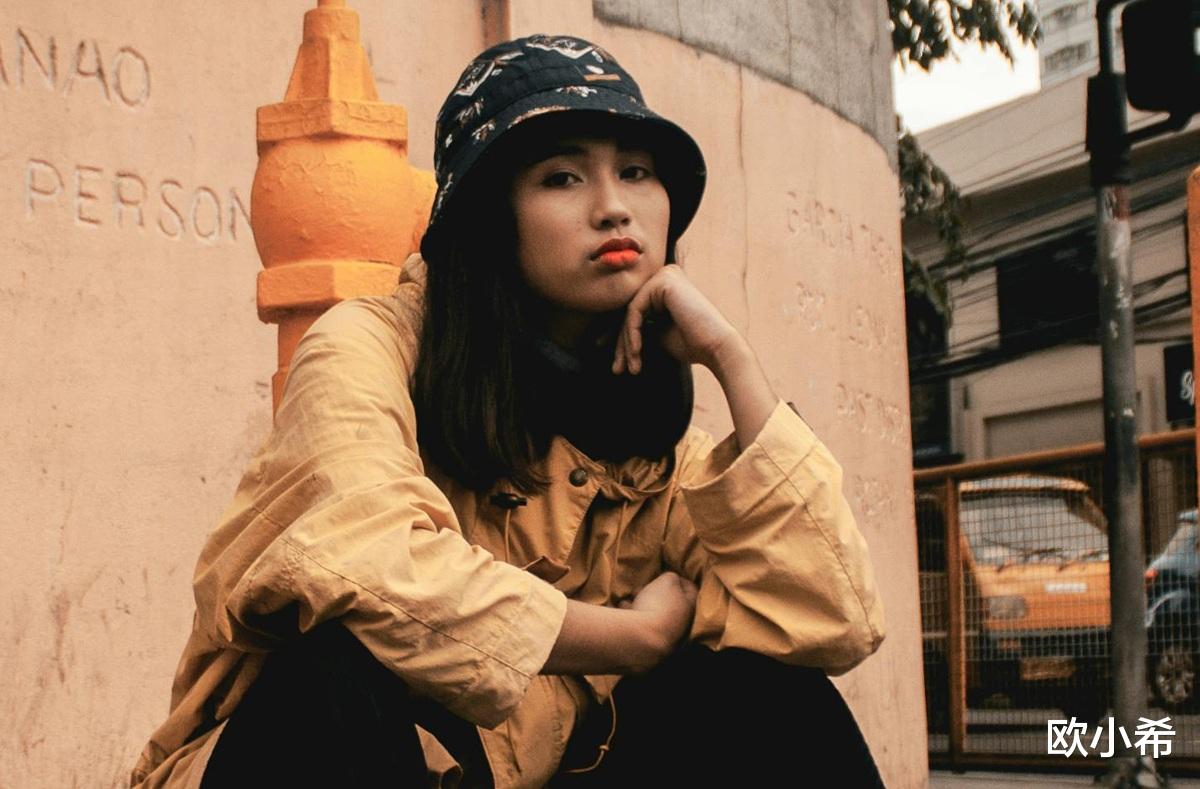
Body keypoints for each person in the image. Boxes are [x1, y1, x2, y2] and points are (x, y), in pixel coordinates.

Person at [131, 34, 887, 789]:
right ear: (490, 216)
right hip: (321, 757)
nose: (614, 208)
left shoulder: (666, 461)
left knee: (770, 694)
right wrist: (632, 637)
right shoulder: (369, 348)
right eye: (562, 177)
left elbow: (831, 619)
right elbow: (367, 569)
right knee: (334, 677)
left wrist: (730, 357)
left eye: (635, 172)